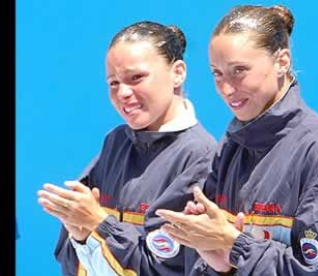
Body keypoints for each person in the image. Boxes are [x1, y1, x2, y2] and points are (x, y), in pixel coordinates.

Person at [156, 4, 318, 276]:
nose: (226, 88)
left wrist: (234, 245)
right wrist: (220, 266)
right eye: (217, 73)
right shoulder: (231, 148)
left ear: (282, 61)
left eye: (239, 70)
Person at [37, 21, 217, 276]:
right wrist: (80, 237)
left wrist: (98, 224)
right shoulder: (116, 142)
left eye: (136, 78)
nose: (122, 93)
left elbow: (169, 268)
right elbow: (69, 260)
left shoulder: (200, 157)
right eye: (113, 83)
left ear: (178, 73)